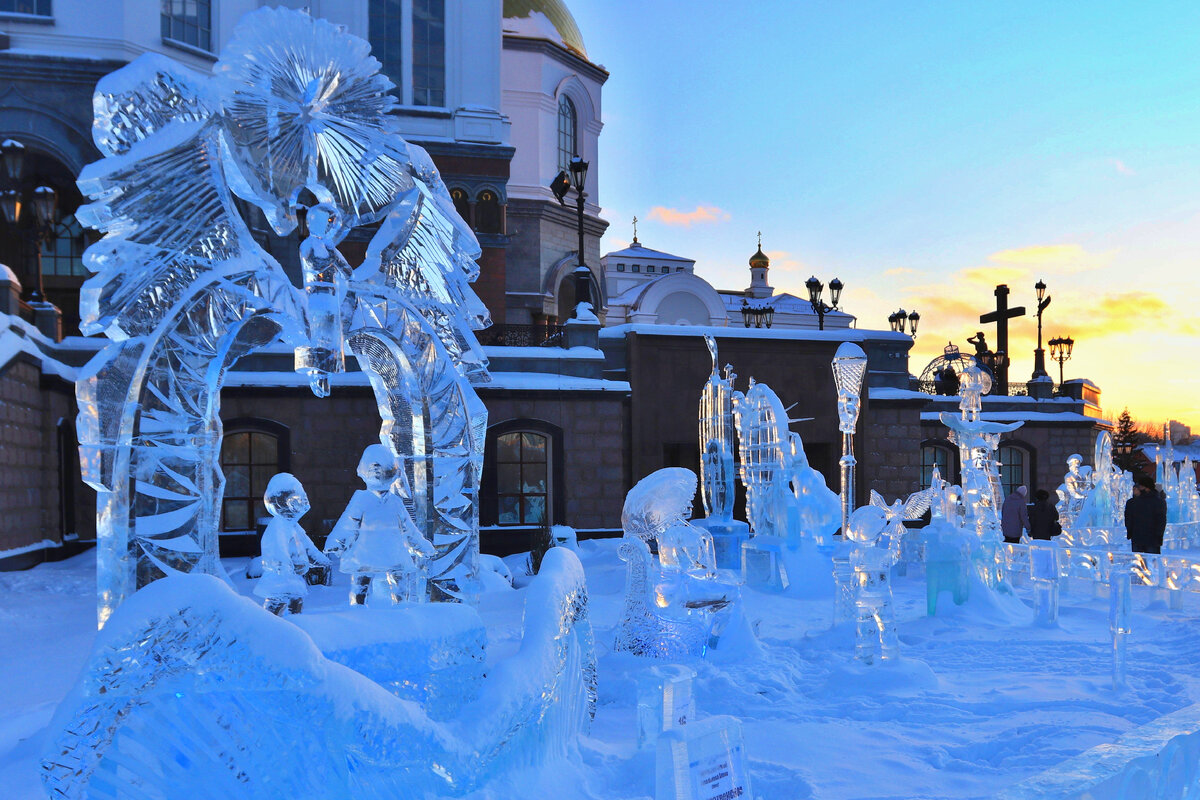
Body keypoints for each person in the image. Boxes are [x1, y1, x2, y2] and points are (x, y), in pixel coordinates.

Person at [1125, 475, 1167, 554]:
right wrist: (1159, 535)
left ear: (1147, 487)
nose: (1139, 488)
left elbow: (1128, 519)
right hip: (1151, 539)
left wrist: (1130, 532)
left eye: (1141, 486)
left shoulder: (1132, 502)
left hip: (1139, 538)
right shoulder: (1159, 501)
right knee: (1151, 563)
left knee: (1139, 562)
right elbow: (1161, 521)